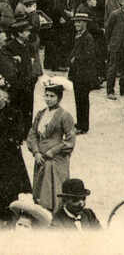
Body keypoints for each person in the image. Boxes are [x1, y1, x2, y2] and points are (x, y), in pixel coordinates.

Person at [26, 82, 75, 212]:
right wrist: (36, 152)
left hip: (56, 160)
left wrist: (53, 151)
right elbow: (32, 134)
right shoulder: (40, 114)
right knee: (40, 188)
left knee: (53, 189)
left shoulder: (65, 115)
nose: (48, 99)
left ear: (59, 98)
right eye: (46, 95)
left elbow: (70, 140)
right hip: (40, 158)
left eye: (52, 96)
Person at [0, 85, 32, 225]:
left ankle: (8, 214)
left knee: (9, 186)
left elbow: (18, 135)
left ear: (7, 99)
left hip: (9, 157)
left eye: (2, 98)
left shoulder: (14, 114)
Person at [68, 13, 97, 134]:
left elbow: (89, 55)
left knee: (82, 100)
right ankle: (80, 122)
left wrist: (76, 58)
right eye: (75, 22)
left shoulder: (88, 38)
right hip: (78, 73)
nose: (76, 24)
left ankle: (83, 125)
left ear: (85, 23)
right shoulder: (79, 36)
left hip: (84, 74)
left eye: (79, 22)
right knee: (78, 99)